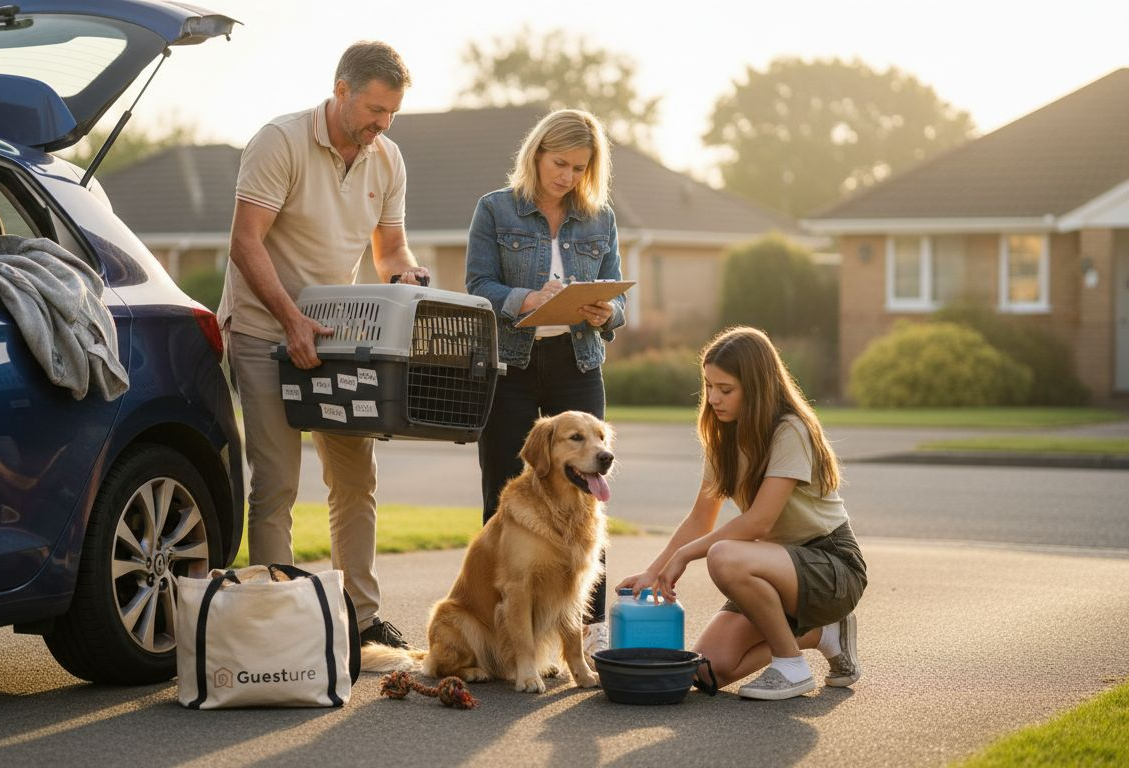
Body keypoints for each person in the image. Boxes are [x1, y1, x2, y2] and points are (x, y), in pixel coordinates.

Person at [216, 41, 429, 649]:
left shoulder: (386, 158)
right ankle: (276, 623)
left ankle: (360, 620)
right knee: (277, 483)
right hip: (264, 332)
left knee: (355, 480)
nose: (383, 124)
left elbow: (390, 249)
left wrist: (406, 274)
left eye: (392, 113)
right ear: (341, 90)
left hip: (338, 339)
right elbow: (245, 242)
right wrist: (291, 321)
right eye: (375, 109)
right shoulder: (279, 142)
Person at [617, 326, 867, 700]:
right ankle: (824, 634)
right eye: (708, 386)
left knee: (724, 556)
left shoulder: (790, 429)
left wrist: (684, 556)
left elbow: (758, 522)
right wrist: (654, 572)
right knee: (706, 670)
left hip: (831, 565)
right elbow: (700, 519)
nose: (713, 398)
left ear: (757, 388)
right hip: (771, 567)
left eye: (726, 389)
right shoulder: (723, 438)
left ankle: (791, 665)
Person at [465, 108, 626, 659]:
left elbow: (619, 299)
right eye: (560, 164)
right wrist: (527, 299)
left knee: (588, 496)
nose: (568, 177)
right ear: (536, 155)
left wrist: (608, 312)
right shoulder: (495, 208)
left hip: (576, 363)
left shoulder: (600, 218)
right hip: (510, 363)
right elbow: (478, 286)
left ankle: (593, 632)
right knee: (503, 488)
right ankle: (498, 628)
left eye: (580, 168)